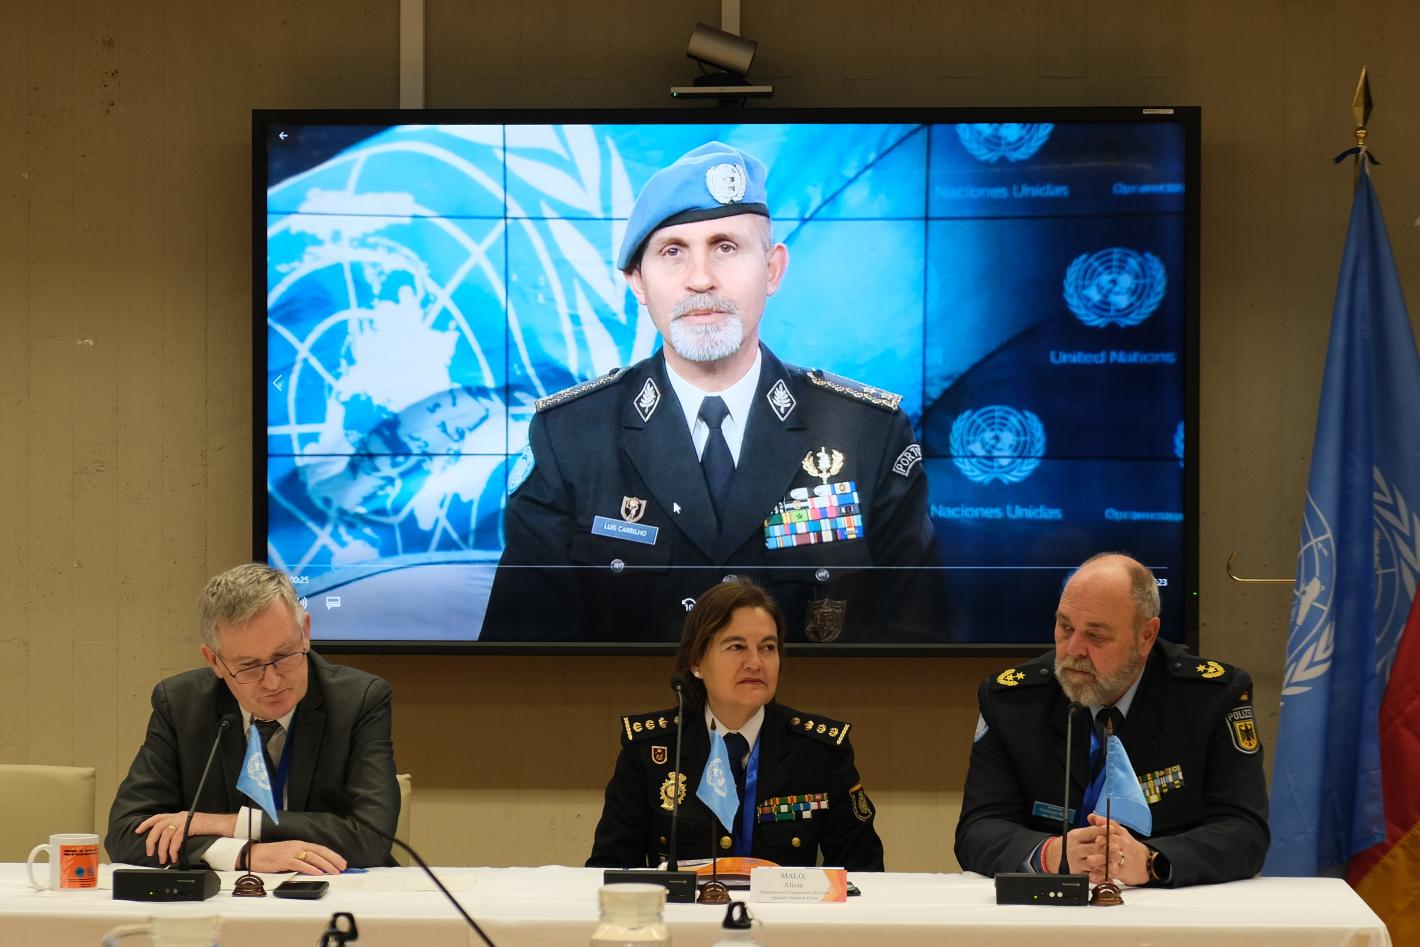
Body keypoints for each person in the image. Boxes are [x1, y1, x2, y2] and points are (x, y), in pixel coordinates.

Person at [482, 140, 944, 644]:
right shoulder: (570, 438)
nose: (700, 279)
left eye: (725, 247)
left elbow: (916, 653)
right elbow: (520, 661)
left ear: (772, 270)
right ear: (638, 282)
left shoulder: (867, 435)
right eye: (672, 252)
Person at [954, 552, 1269, 887]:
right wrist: (1049, 854)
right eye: (1065, 628)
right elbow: (978, 827)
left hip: (1169, 905)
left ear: (1146, 636)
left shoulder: (1210, 698)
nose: (1073, 649)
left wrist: (1150, 861)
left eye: (1096, 636)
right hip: (1048, 905)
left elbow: (1244, 830)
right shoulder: (1013, 701)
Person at [105, 563, 399, 873]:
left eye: (283, 656)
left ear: (305, 633)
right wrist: (244, 854)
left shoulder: (359, 700)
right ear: (214, 661)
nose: (272, 682)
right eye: (248, 666)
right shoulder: (181, 705)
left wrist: (231, 824)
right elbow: (126, 835)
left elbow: (371, 840)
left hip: (336, 891)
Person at [587, 578, 884, 870]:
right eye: (737, 647)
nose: (755, 662)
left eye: (768, 647)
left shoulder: (819, 751)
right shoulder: (652, 749)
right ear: (696, 662)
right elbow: (610, 868)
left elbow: (864, 869)